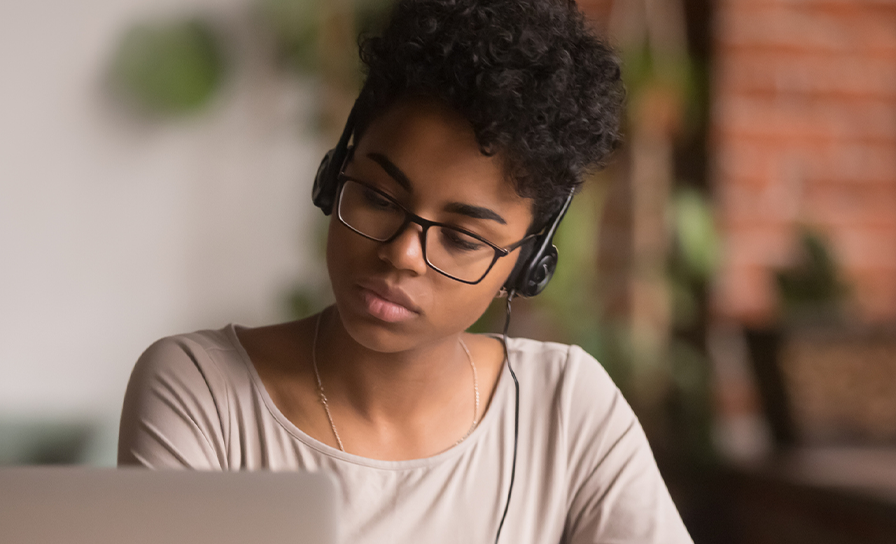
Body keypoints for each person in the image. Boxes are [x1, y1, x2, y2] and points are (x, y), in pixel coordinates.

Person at [116, 0, 693, 542]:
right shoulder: (201, 391)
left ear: (526, 264)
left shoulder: (567, 406)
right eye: (378, 197)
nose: (402, 254)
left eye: (463, 237)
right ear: (332, 178)